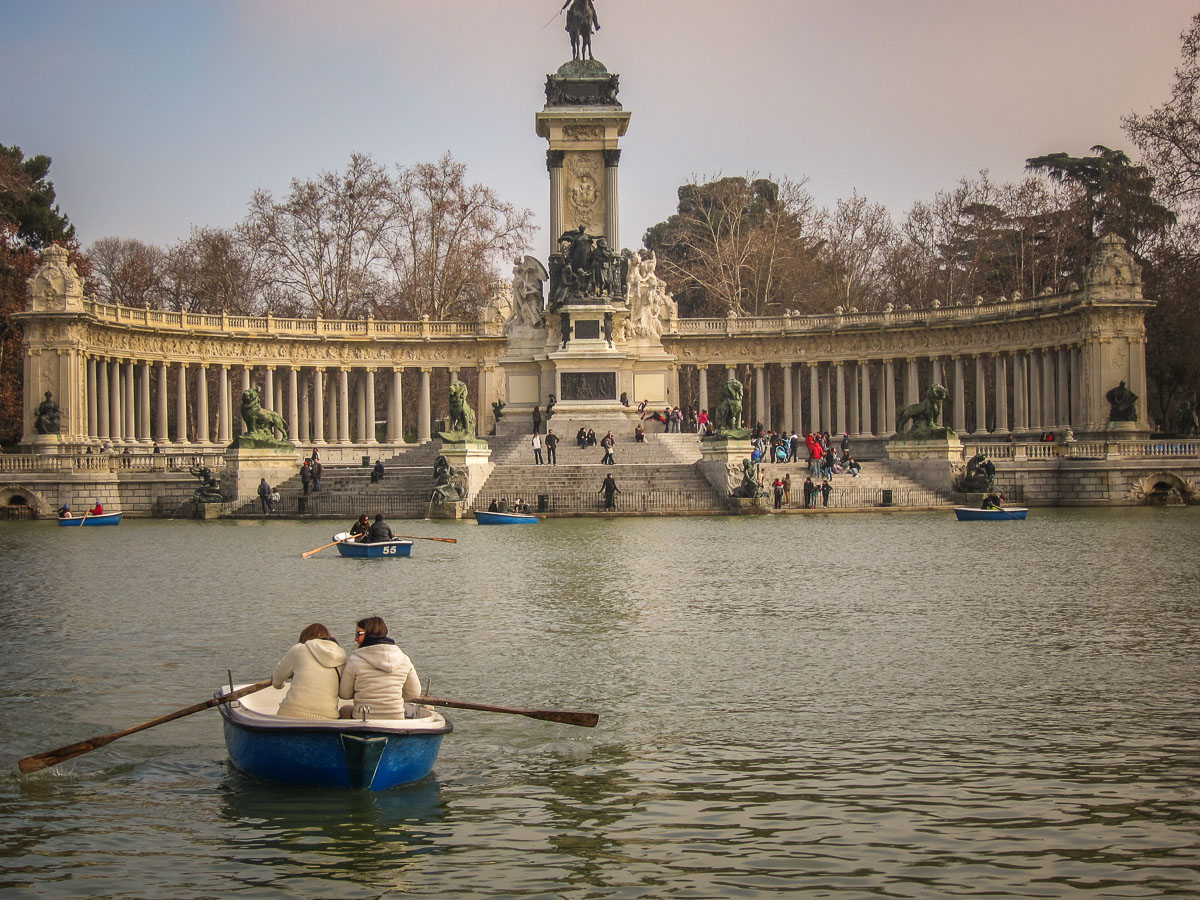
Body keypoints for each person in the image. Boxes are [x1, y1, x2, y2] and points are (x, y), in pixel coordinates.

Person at [339, 616, 422, 720]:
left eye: (358, 634)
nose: (355, 638)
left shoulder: (355, 660)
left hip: (364, 717)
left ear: (369, 634)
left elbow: (344, 694)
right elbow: (414, 692)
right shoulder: (404, 659)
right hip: (396, 718)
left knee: (344, 710)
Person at [272, 623, 347, 720]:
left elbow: (277, 680)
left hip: (290, 714)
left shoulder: (299, 649)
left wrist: (280, 684)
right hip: (327, 718)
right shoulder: (341, 657)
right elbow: (343, 693)